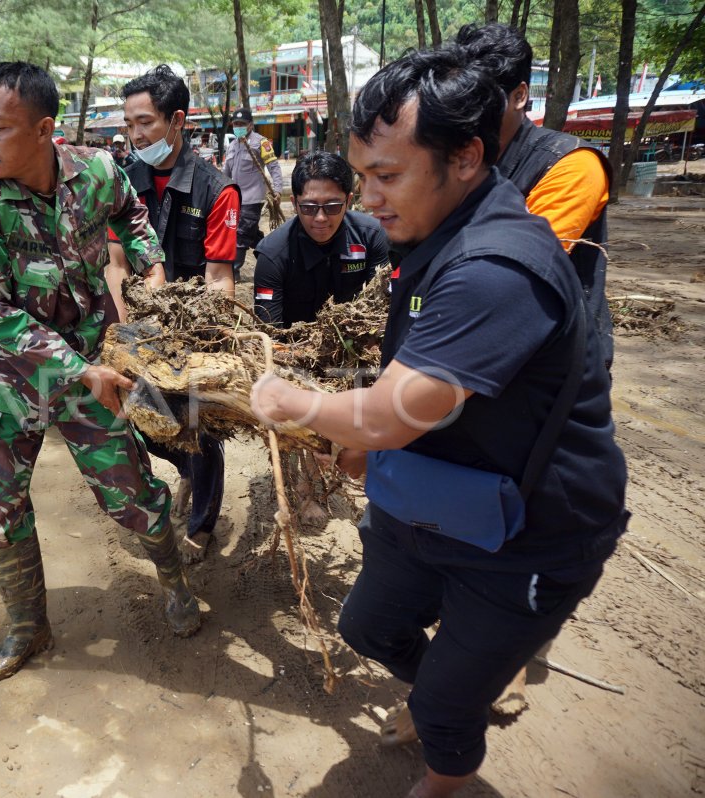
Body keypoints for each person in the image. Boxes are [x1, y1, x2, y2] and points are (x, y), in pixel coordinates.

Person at [249, 49, 627, 798]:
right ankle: (463, 685)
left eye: (387, 176)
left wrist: (294, 404)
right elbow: (416, 390)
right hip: (433, 502)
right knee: (367, 629)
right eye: (363, 177)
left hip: (527, 532)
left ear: (466, 158)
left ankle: (447, 763)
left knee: (442, 705)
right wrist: (361, 453)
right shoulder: (424, 236)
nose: (368, 199)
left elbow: (393, 411)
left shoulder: (496, 267)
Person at [0, 61, 201, 685]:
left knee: (132, 496)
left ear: (43, 130)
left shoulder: (97, 172)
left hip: (99, 367)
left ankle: (177, 585)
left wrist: (151, 276)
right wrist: (78, 369)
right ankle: (27, 625)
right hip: (17, 378)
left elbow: (133, 218)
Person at [106, 64, 240, 561]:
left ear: (177, 120)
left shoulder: (216, 188)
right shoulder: (123, 179)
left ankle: (203, 523)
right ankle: (183, 473)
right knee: (141, 417)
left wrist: (205, 342)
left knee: (197, 426)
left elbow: (219, 277)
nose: (136, 134)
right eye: (130, 124)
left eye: (145, 122)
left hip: (193, 328)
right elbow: (117, 264)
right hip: (138, 326)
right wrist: (126, 334)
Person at [452, 23, 614, 369]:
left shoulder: (572, 164)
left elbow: (519, 275)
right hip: (479, 346)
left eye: (483, 102)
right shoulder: (464, 159)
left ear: (520, 95)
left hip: (554, 362)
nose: (470, 116)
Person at [253, 151, 390, 327]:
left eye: (332, 206)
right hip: (292, 347)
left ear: (348, 201)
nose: (320, 218)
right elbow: (269, 330)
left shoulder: (372, 237)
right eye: (309, 208)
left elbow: (383, 308)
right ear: (295, 204)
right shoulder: (272, 255)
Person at [223, 108, 283, 278]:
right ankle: (274, 255)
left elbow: (274, 168)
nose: (238, 127)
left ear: (250, 125)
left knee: (241, 234)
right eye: (236, 124)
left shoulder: (261, 142)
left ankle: (233, 273)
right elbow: (225, 173)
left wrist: (277, 190)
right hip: (234, 198)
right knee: (251, 233)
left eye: (242, 124)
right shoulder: (233, 145)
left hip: (252, 198)